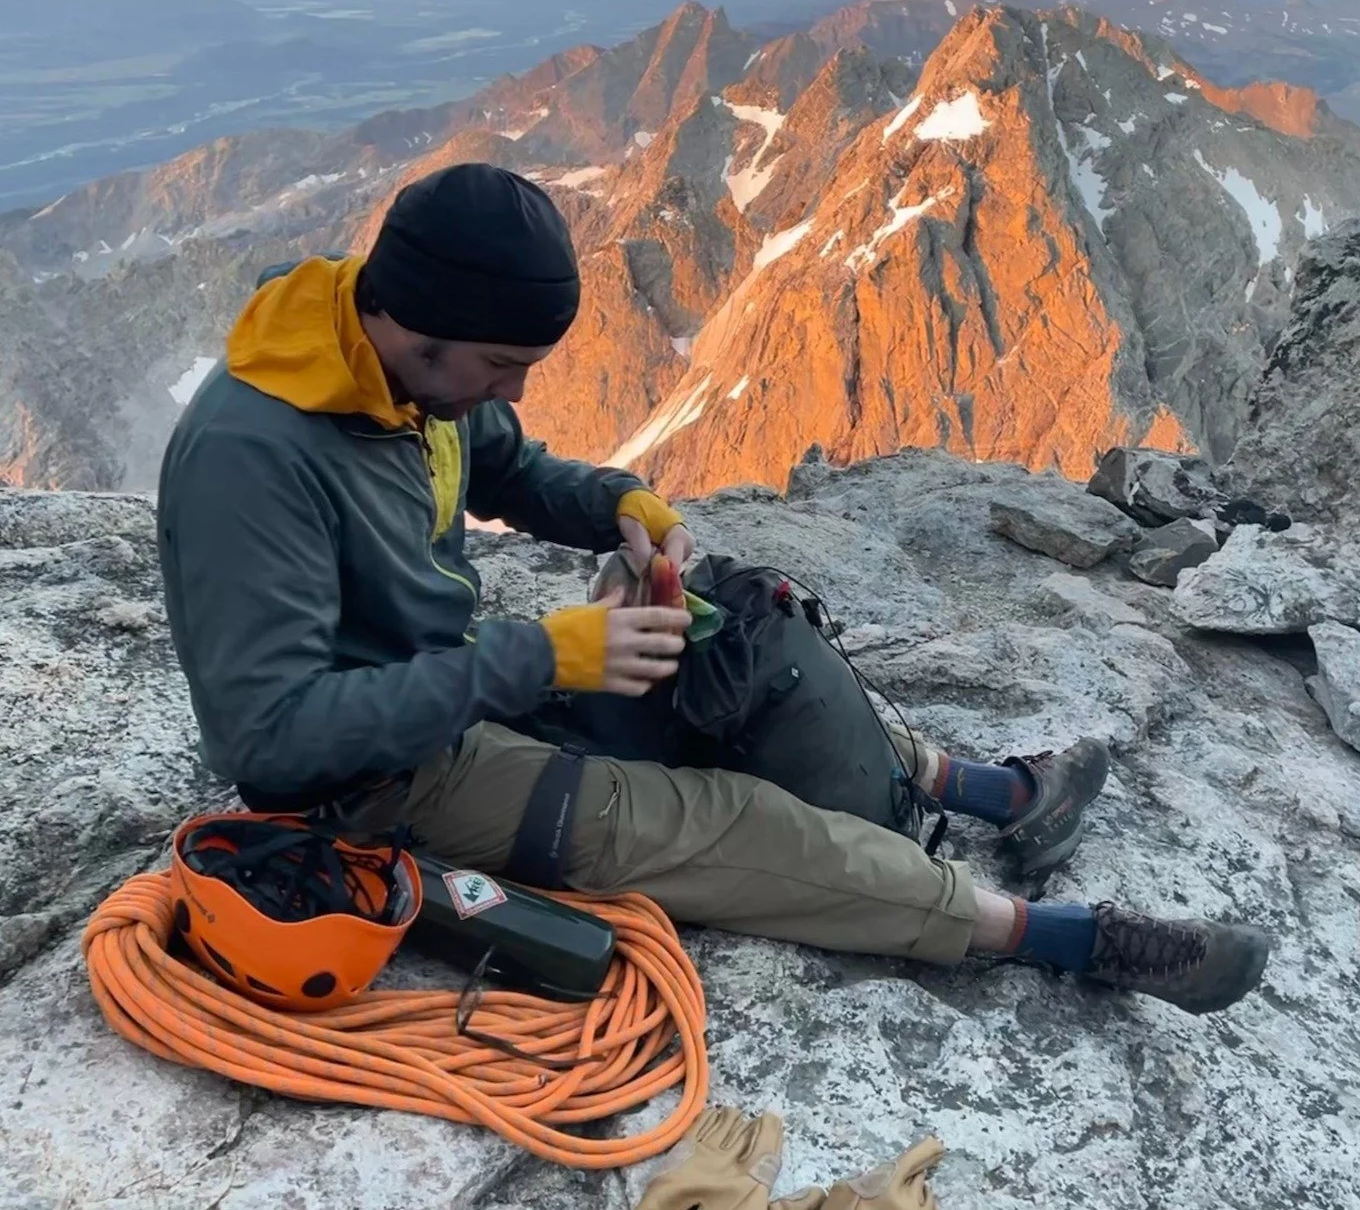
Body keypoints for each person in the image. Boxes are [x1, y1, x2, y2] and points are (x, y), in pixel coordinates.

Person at [156, 163, 1271, 1015]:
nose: (513, 389)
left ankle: (977, 793)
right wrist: (541, 659)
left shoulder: (404, 371)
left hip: (461, 684)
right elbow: (270, 742)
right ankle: (1065, 938)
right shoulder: (251, 455)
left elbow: (503, 466)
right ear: (422, 327)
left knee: (744, 628)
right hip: (377, 784)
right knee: (728, 821)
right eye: (500, 367)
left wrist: (617, 506)